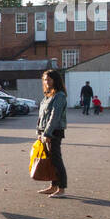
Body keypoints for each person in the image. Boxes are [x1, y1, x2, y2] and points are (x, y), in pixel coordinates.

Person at [36, 68, 68, 198]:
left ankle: (61, 188)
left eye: (49, 79)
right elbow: (42, 116)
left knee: (56, 159)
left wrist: (47, 134)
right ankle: (53, 186)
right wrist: (39, 131)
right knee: (50, 160)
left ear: (55, 80)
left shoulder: (59, 96)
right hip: (46, 131)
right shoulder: (48, 95)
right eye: (45, 79)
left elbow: (54, 117)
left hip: (54, 131)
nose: (46, 82)